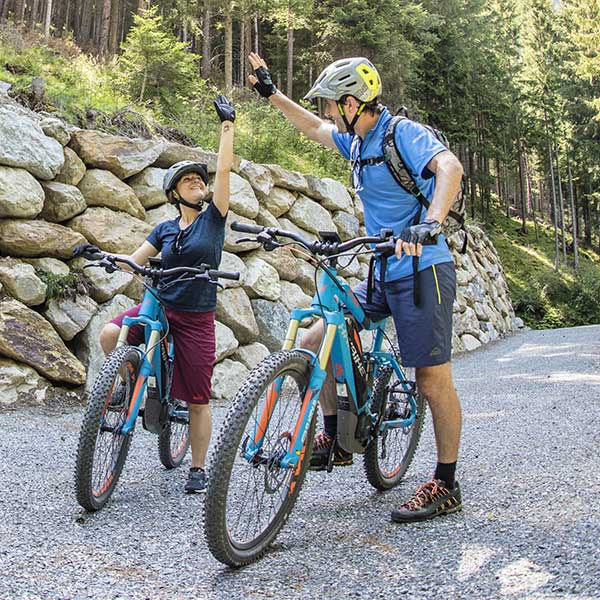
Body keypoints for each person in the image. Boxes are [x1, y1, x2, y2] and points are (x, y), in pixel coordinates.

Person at [248, 53, 464, 522]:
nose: (327, 112)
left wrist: (429, 224)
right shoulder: (357, 142)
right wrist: (271, 95)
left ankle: (446, 482)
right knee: (315, 337)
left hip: (424, 267)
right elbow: (311, 129)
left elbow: (450, 168)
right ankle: (334, 435)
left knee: (431, 378)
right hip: (383, 269)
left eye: (330, 103)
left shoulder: (400, 133)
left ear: (350, 102)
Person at [98, 94, 235, 494]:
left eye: (199, 180)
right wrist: (106, 257)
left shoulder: (213, 219)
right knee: (110, 334)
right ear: (174, 193)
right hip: (158, 306)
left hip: (195, 315)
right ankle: (127, 386)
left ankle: (197, 466)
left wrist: (227, 127)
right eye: (189, 182)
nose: (199, 184)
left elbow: (224, 172)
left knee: (197, 396)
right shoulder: (165, 228)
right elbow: (136, 259)